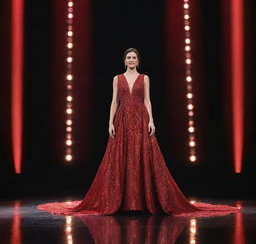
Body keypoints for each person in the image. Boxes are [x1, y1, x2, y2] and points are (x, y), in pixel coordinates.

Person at [37, 48, 241, 217]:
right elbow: (114, 101)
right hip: (123, 119)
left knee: (143, 157)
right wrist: (110, 122)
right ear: (124, 60)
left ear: (138, 60)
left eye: (134, 57)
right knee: (120, 158)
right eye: (128, 57)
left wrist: (152, 120)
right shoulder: (117, 78)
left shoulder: (145, 78)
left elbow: (147, 101)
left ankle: (144, 201)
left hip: (141, 118)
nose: (131, 60)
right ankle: (122, 201)